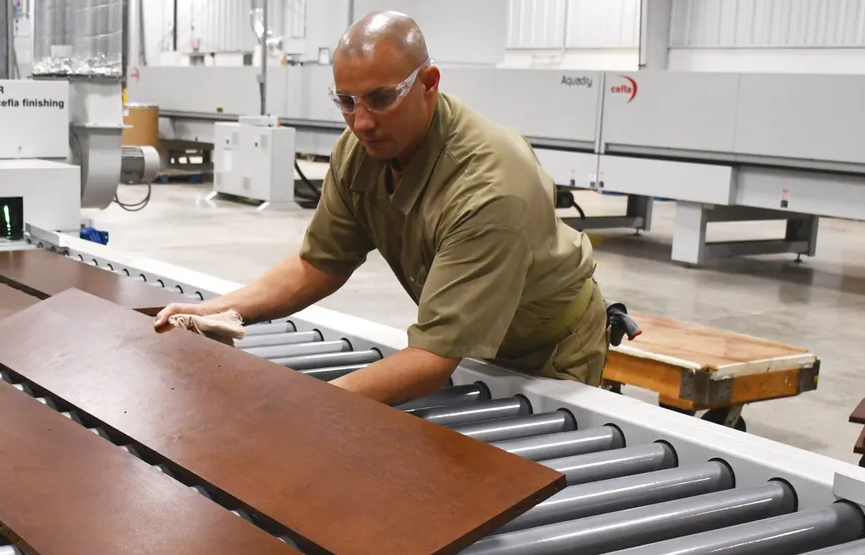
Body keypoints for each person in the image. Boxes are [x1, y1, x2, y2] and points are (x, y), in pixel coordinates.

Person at [155, 10, 608, 406]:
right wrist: (220, 310)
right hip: (465, 343)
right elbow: (319, 264)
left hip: (547, 348)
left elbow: (432, 359)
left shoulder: (489, 187)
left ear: (429, 84)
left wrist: (309, 407)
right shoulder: (360, 153)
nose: (362, 122)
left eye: (380, 98)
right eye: (346, 102)